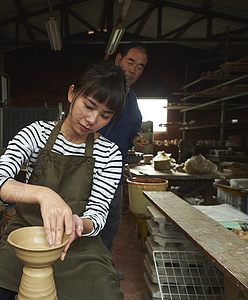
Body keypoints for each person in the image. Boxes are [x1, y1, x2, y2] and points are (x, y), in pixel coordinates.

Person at [0, 60, 127, 300]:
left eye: (104, 115)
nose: (92, 119)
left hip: (79, 248)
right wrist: (43, 194)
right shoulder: (35, 133)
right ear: (72, 94)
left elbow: (98, 215)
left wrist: (80, 224)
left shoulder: (109, 154)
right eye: (88, 105)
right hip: (26, 239)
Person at [98, 42, 150, 251]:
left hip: (114, 173)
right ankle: (81, 270)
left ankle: (102, 266)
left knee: (111, 223)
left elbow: (132, 130)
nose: (133, 69)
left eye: (140, 66)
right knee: (85, 222)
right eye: (130, 62)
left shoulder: (132, 98)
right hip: (87, 168)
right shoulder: (99, 89)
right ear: (118, 59)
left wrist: (135, 139)